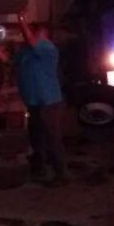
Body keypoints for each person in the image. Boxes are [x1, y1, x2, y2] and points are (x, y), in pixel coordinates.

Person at [15, 21, 69, 185]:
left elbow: (31, 40)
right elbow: (10, 61)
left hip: (48, 101)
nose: (27, 35)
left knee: (52, 138)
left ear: (42, 33)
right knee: (36, 137)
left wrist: (20, 20)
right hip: (33, 102)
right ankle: (40, 170)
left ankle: (61, 174)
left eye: (32, 32)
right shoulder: (25, 51)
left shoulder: (48, 48)